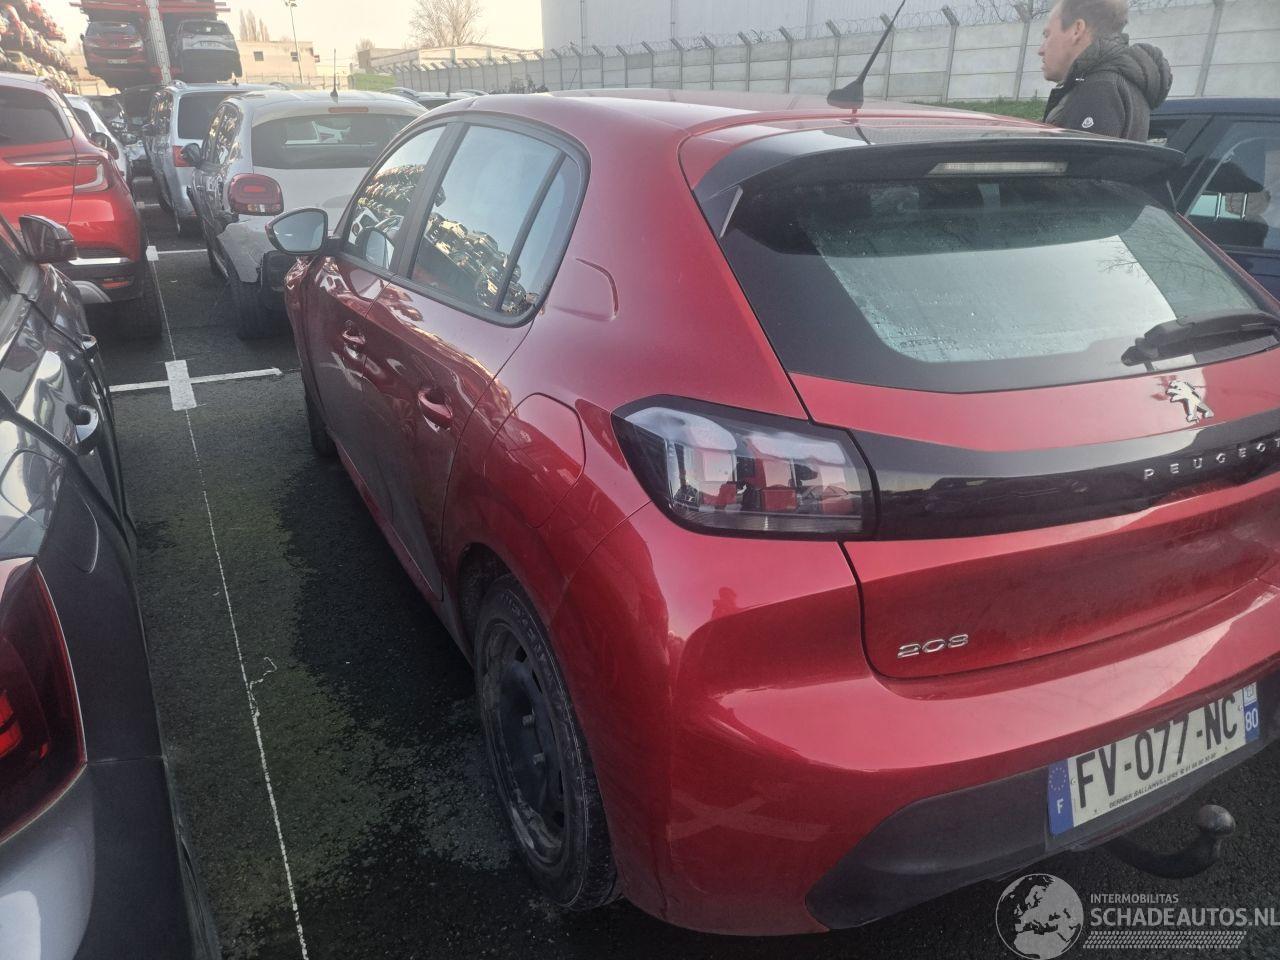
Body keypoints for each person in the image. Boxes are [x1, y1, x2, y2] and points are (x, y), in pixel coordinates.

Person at [1038, 0, 1172, 141]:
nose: (1040, 50)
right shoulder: (1121, 82)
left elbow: (1079, 155)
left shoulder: (1099, 88)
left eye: (1047, 35)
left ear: (1077, 29)